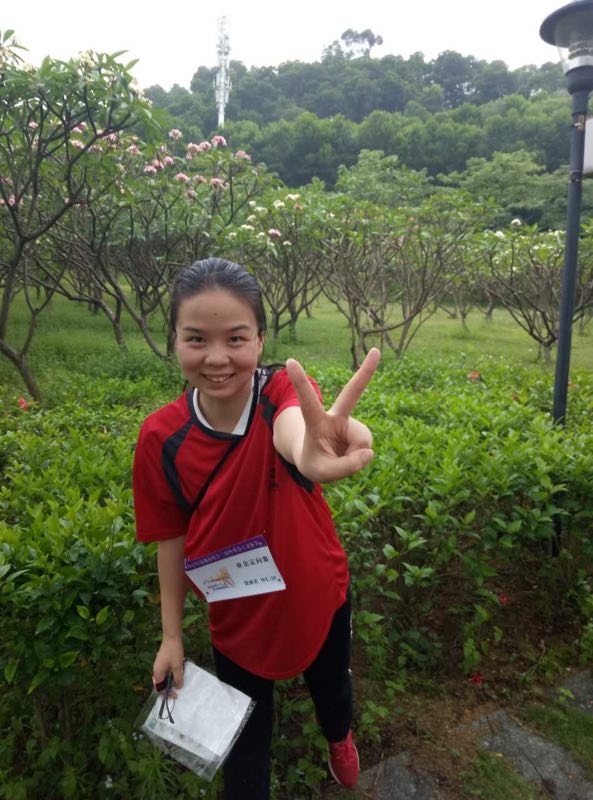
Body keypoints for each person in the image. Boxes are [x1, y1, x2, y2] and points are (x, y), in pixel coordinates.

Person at [133, 257, 380, 798]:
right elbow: (170, 538)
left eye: (236, 338)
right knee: (245, 742)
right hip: (237, 609)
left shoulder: (279, 394)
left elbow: (296, 432)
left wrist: (309, 452)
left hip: (317, 590)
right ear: (173, 341)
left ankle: (338, 737)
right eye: (196, 339)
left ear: (261, 340)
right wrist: (172, 636)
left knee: (332, 690)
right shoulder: (160, 438)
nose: (217, 358)